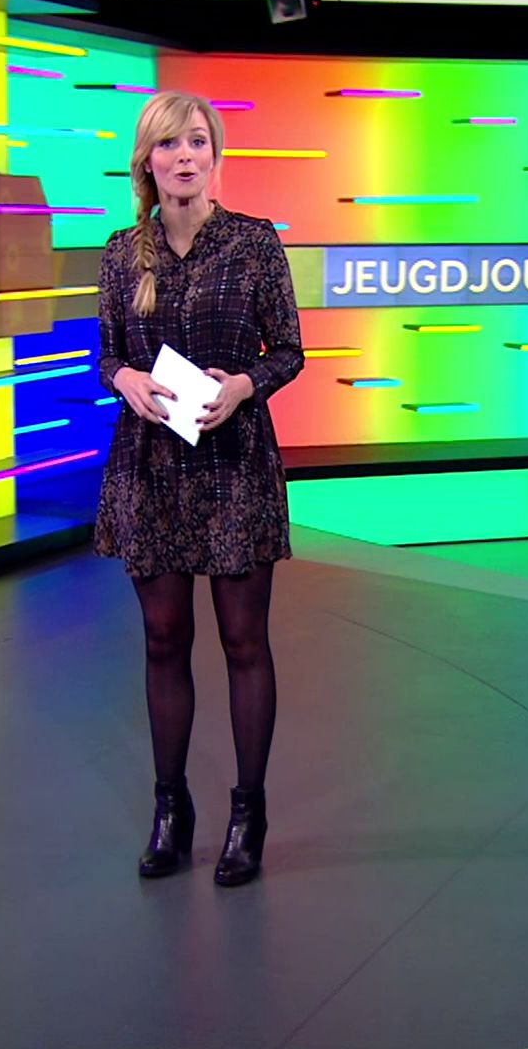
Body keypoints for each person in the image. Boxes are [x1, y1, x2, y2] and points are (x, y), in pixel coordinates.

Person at [94, 90, 305, 886]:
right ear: (146, 161)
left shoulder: (253, 243)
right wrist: (124, 379)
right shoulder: (122, 254)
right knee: (162, 640)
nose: (186, 156)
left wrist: (245, 385)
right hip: (151, 469)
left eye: (198, 142)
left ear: (214, 156)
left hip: (233, 466)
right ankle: (170, 808)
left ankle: (248, 812)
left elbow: (289, 350)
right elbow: (106, 353)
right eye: (169, 144)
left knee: (244, 642)